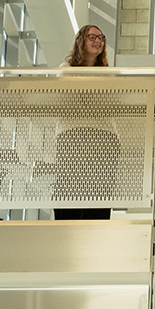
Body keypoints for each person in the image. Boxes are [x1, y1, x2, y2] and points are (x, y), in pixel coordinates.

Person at [55, 24, 112, 221]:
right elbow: (68, 100)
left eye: (101, 37)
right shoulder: (66, 69)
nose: (99, 41)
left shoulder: (108, 73)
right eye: (92, 37)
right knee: (69, 194)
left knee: (99, 196)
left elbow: (109, 106)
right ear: (81, 41)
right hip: (73, 138)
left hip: (102, 139)